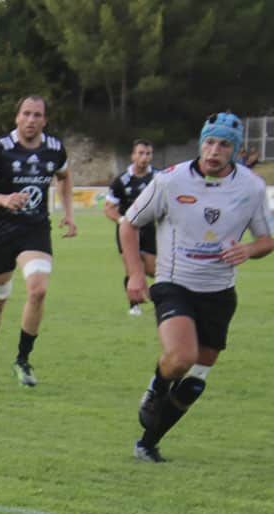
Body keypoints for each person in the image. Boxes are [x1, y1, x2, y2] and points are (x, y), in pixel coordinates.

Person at [121, 112, 272, 462]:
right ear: (201, 142)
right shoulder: (170, 181)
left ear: (234, 150)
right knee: (182, 357)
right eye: (209, 142)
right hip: (175, 283)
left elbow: (267, 240)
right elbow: (129, 225)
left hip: (219, 293)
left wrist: (248, 249)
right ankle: (156, 387)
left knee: (194, 381)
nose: (213, 150)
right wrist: (136, 274)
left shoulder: (250, 187)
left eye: (223, 144)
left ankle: (148, 441)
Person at [0, 95, 75, 387]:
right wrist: (4, 199)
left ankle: (22, 360)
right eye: (26, 114)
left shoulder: (54, 148)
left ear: (45, 120)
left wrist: (68, 213)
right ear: (17, 117)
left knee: (38, 290)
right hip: (1, 233)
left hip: (35, 230)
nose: (31, 120)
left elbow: (65, 177)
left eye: (37, 115)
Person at [105, 140, 157, 316]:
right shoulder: (121, 181)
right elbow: (109, 209)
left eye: (148, 153)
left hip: (149, 230)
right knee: (132, 268)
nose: (144, 157)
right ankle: (134, 305)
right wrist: (123, 222)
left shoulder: (158, 178)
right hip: (126, 232)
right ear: (133, 155)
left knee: (152, 270)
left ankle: (155, 297)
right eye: (141, 153)